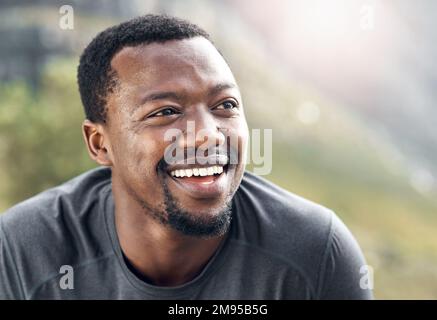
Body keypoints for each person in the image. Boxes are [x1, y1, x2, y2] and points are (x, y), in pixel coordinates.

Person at [0, 14, 373, 299]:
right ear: (100, 143)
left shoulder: (314, 251)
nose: (208, 134)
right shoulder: (24, 250)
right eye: (165, 112)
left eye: (225, 105)